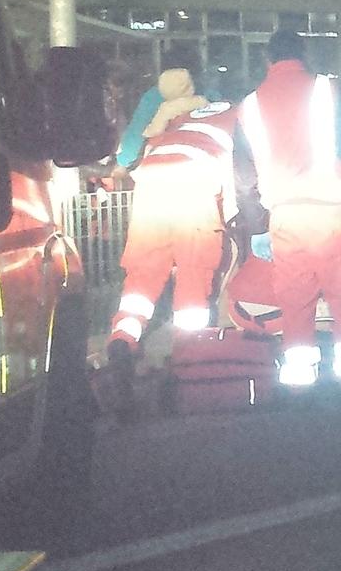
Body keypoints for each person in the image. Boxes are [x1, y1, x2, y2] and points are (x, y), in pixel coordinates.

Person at [239, 29, 341, 384]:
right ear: (305, 55)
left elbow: (243, 174)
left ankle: (299, 371)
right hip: (332, 210)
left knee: (295, 295)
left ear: (267, 60)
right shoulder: (328, 91)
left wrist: (257, 227)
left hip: (284, 216)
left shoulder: (250, 105)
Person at [105, 99, 255, 405]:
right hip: (195, 184)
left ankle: (122, 339)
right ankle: (188, 360)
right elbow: (245, 176)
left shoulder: (184, 117)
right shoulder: (242, 116)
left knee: (143, 277)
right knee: (194, 276)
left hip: (151, 186)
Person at [117, 67, 204, 167]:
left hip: (169, 158)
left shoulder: (165, 106)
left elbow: (154, 129)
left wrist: (147, 133)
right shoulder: (201, 100)